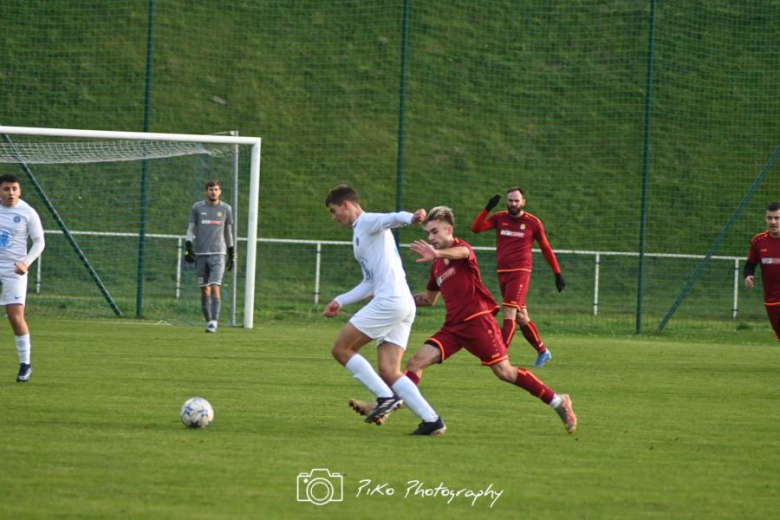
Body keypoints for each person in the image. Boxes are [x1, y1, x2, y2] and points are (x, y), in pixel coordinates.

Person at [404, 206, 577, 434]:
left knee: (504, 372)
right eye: (428, 233)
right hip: (453, 328)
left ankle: (558, 401)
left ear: (449, 229)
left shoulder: (461, 248)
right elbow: (428, 299)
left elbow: (463, 254)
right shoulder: (436, 266)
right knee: (415, 362)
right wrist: (397, 298)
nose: (431, 238)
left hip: (478, 322)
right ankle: (392, 406)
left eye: (435, 232)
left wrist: (437, 253)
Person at [325, 184, 446, 436]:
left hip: (390, 301)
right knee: (389, 370)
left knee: (341, 349)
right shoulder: (360, 233)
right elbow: (369, 281)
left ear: (346, 205)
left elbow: (390, 218)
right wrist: (341, 300)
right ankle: (432, 420)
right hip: (402, 302)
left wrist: (411, 218)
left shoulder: (367, 221)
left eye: (334, 211)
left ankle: (383, 397)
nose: (334, 217)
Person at [470, 187, 565, 367]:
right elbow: (476, 229)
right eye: (510, 200)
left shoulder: (533, 223)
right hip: (502, 273)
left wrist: (557, 273)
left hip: (520, 272)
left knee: (509, 312)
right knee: (521, 316)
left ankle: (499, 354)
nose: (513, 204)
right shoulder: (499, 218)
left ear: (523, 202)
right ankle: (543, 351)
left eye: (516, 200)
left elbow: (546, 248)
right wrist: (487, 208)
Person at [0, 174, 45, 382]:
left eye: (14, 189)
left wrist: (25, 262)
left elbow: (39, 243)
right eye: (6, 189)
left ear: (20, 191)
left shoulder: (28, 213)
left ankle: (25, 364)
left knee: (15, 317)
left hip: (14, 270)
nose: (11, 193)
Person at [184, 180, 235, 333]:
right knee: (204, 290)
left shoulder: (226, 209)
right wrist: (188, 247)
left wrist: (231, 253)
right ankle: (208, 321)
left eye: (216, 189)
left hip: (218, 254)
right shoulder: (197, 207)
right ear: (206, 191)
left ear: (220, 192)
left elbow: (228, 232)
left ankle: (214, 321)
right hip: (200, 254)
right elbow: (191, 229)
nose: (213, 192)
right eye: (210, 189)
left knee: (214, 287)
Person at [744, 201, 780, 340]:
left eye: (777, 218)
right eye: (769, 218)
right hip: (771, 300)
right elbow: (749, 265)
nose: (773, 222)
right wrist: (748, 276)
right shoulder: (758, 241)